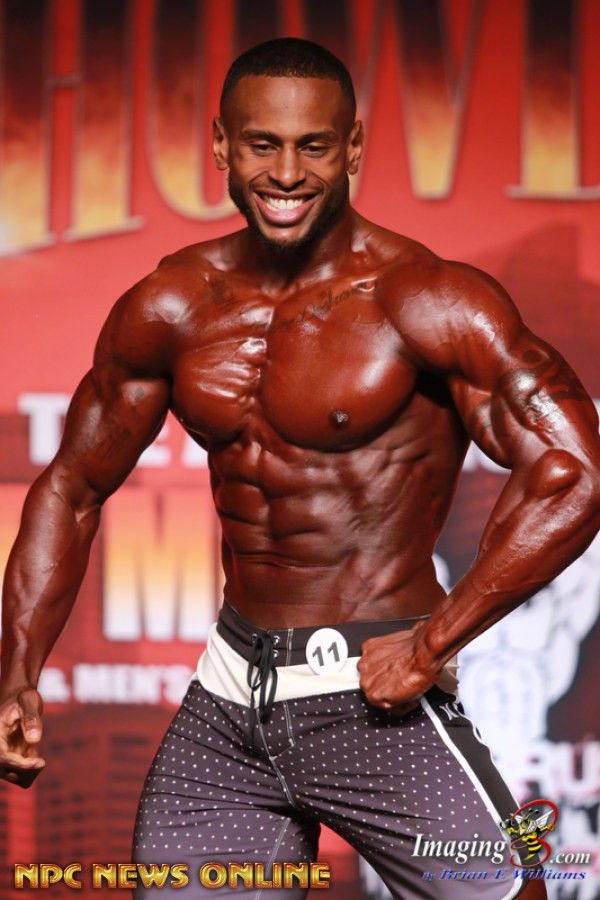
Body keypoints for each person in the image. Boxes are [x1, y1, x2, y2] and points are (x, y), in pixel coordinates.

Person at [1, 37, 598, 899]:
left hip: (377, 702)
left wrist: (435, 642)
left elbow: (574, 471)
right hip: (227, 709)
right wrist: (20, 670)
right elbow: (72, 487)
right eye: (263, 145)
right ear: (222, 145)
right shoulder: (172, 303)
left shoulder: (425, 299)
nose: (286, 173)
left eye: (313, 146)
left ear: (352, 148)